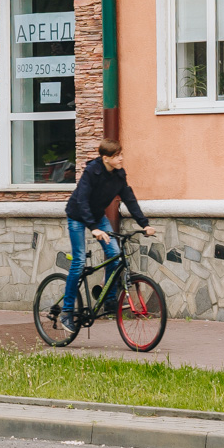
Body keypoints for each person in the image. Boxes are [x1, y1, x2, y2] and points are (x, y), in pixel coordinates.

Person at [60, 139, 154, 331]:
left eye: (121, 154)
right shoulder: (91, 172)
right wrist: (94, 228)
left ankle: (110, 300)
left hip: (97, 216)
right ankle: (67, 312)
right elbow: (82, 201)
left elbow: (129, 198)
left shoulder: (119, 175)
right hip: (78, 216)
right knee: (78, 262)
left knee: (114, 255)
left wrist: (144, 224)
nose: (121, 158)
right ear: (106, 158)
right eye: (117, 156)